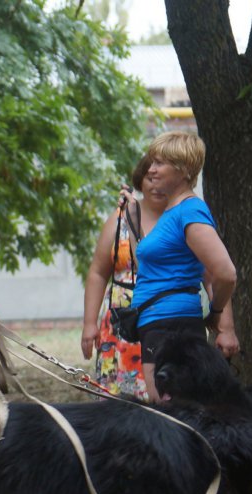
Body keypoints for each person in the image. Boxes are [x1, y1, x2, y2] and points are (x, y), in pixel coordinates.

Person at [131, 131, 239, 402]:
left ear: (184, 170)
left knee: (173, 414)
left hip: (171, 327)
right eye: (151, 162)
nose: (151, 170)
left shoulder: (189, 211)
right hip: (159, 324)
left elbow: (224, 274)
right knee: (176, 412)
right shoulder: (174, 211)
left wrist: (218, 316)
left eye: (159, 163)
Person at [81, 155, 165, 399]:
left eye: (162, 178)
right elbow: (98, 272)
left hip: (163, 319)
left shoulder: (180, 218)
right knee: (116, 403)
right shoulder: (120, 218)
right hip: (120, 323)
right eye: (150, 178)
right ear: (140, 180)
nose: (156, 185)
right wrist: (89, 324)